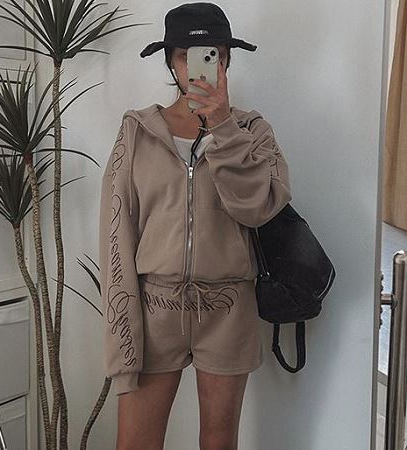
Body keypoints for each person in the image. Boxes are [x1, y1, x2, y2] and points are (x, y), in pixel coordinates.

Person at [98, 2, 292, 449]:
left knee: (219, 443)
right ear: (171, 61)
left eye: (213, 54)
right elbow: (116, 233)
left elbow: (258, 207)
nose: (198, 65)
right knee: (136, 444)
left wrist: (222, 126)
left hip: (228, 309)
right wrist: (121, 330)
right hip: (155, 307)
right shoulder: (137, 131)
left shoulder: (253, 131)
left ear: (226, 60)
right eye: (186, 55)